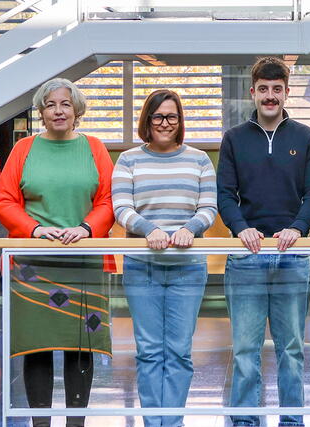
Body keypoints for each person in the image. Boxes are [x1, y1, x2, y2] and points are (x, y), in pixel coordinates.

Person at [0, 78, 115, 427]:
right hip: (35, 260)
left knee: (81, 344)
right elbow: (4, 200)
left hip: (84, 257)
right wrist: (34, 229)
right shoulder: (24, 149)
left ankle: (76, 422)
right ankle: (40, 423)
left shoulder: (94, 147)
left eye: (65, 104)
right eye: (50, 105)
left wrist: (86, 228)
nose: (58, 110)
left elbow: (108, 198)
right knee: (38, 344)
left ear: (76, 110)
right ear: (41, 112)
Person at [216, 57, 310, 427]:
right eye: (263, 89)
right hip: (246, 256)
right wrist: (241, 228)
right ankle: (245, 421)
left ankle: (292, 420)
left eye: (277, 89)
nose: (270, 96)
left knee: (291, 350)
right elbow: (225, 196)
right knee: (245, 350)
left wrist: (298, 227)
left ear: (286, 92)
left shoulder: (306, 138)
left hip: (292, 256)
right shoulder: (234, 139)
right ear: (253, 92)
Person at [112, 89, 218, 427]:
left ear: (180, 120)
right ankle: (152, 421)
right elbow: (121, 208)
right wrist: (148, 230)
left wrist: (190, 228)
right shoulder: (128, 159)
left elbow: (209, 208)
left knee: (179, 351)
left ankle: (171, 422)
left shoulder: (199, 159)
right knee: (148, 351)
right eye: (157, 117)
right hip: (142, 266)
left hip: (188, 268)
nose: (165, 123)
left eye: (172, 116)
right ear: (147, 120)